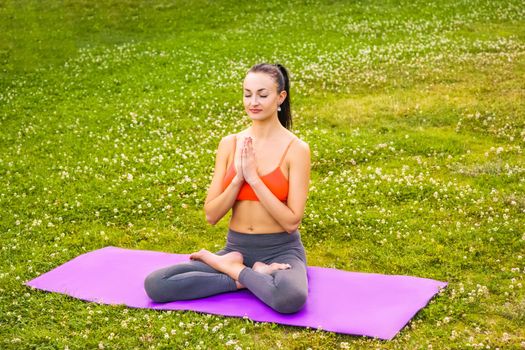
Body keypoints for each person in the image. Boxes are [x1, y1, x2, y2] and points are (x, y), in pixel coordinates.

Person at [144, 63, 311, 314]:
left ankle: (234, 271)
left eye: (262, 95)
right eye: (247, 94)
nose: (253, 101)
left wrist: (254, 178)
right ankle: (250, 276)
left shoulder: (296, 149)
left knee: (290, 296)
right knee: (156, 284)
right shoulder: (229, 144)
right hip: (236, 248)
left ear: (280, 97)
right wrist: (238, 179)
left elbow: (291, 222)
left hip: (282, 251)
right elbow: (211, 215)